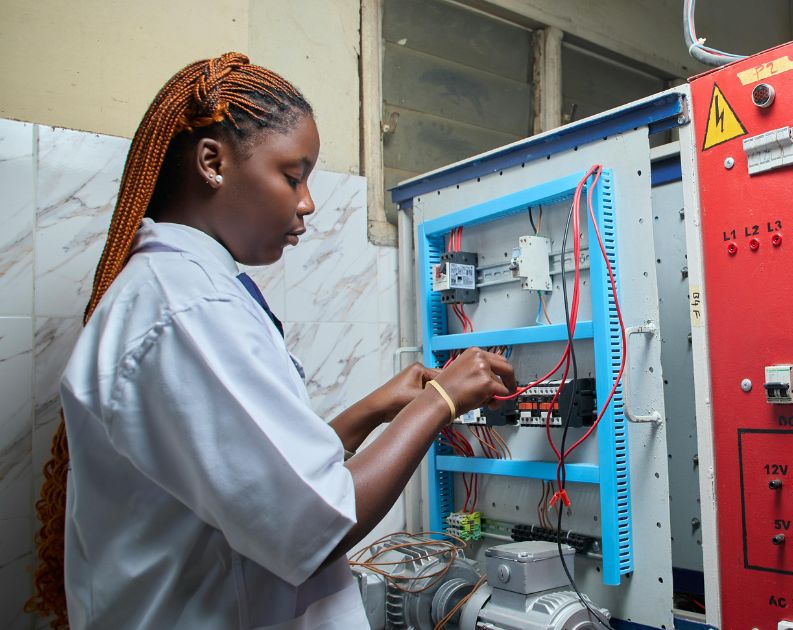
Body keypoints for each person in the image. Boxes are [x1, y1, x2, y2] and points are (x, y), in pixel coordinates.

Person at [27, 52, 515, 629]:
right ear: (213, 162)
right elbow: (314, 523)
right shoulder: (187, 306)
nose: (307, 202)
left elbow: (259, 481)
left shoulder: (194, 289)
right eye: (292, 175)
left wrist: (375, 409)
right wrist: (444, 401)